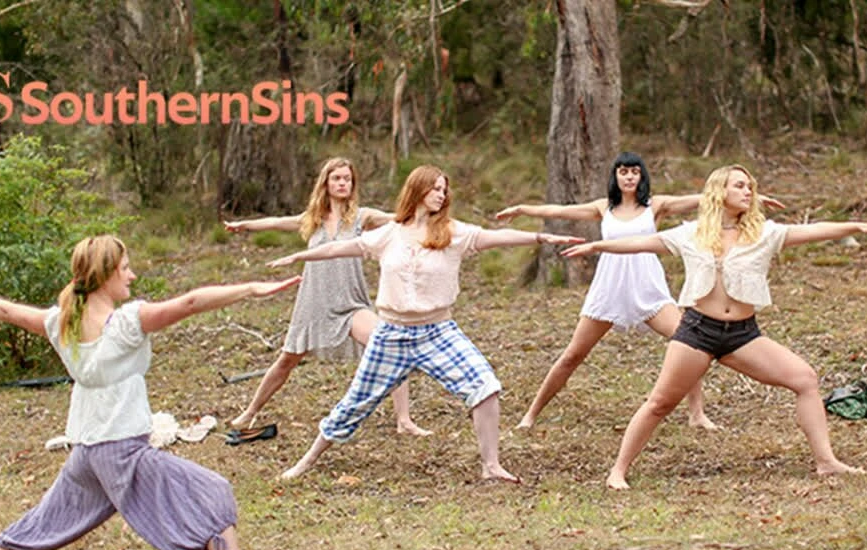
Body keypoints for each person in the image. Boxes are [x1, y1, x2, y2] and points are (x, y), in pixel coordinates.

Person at [0, 234, 301, 550]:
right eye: (125, 269)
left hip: (86, 453)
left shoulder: (61, 322)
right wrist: (252, 288)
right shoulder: (126, 324)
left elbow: (6, 311)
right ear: (105, 275)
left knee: (39, 526)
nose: (132, 275)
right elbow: (189, 302)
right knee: (213, 495)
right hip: (122, 452)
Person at [561, 164, 867, 489]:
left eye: (750, 186)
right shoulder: (690, 233)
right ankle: (618, 471)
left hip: (742, 335)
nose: (747, 191)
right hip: (697, 332)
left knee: (805, 379)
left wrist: (854, 227)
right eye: (739, 185)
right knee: (660, 403)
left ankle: (827, 462)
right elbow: (641, 243)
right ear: (718, 192)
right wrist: (597, 246)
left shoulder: (763, 233)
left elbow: (808, 232)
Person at [268, 165, 584, 482]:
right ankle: (306, 461)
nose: (440, 194)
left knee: (485, 387)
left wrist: (540, 236)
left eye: (443, 190)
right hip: (391, 334)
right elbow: (341, 246)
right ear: (417, 190)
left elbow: (496, 237)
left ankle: (491, 465)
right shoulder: (391, 233)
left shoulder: (452, 232)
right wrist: (299, 258)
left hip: (438, 332)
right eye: (434, 188)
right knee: (353, 405)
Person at [496, 151, 785, 430]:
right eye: (624, 172)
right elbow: (559, 210)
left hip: (649, 289)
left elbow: (704, 197)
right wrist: (523, 209)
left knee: (690, 343)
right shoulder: (602, 207)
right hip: (609, 288)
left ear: (641, 176)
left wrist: (753, 198)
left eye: (635, 171)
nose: (629, 177)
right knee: (573, 354)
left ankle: (697, 414)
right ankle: (531, 414)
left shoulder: (655, 205)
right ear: (616, 176)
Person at [224, 157, 430, 437]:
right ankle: (249, 413)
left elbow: (398, 219)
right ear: (326, 183)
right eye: (337, 178)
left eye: (347, 179)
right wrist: (245, 225)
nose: (343, 183)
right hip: (314, 303)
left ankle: (404, 420)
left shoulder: (362, 217)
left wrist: (426, 210)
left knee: (390, 344)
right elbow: (276, 222)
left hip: (350, 302)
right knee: (286, 361)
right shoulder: (312, 219)